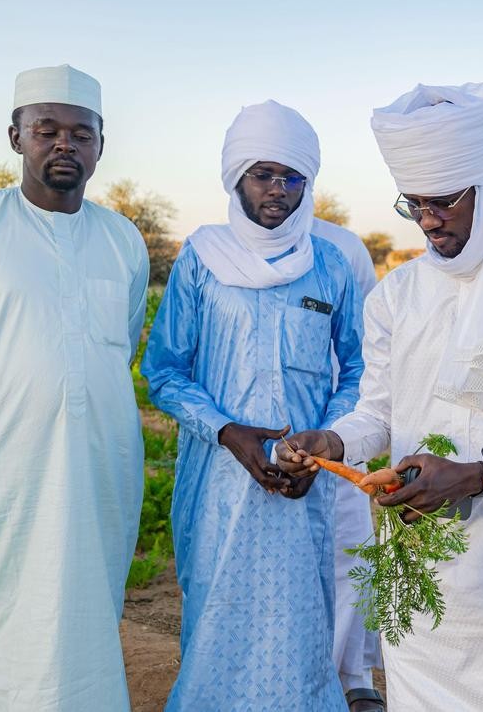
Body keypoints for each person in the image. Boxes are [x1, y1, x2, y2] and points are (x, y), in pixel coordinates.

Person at [275, 83, 483, 710]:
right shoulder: (397, 294)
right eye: (413, 204)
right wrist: (332, 440)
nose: (428, 220)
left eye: (442, 202)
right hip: (425, 578)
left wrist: (479, 476)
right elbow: (378, 413)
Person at [0, 64, 149, 710]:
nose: (64, 144)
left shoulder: (123, 239)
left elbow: (120, 341)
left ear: (101, 145)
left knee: (87, 610)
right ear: (15, 136)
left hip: (98, 470)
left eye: (81, 133)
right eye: (46, 130)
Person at [140, 100, 363, 710]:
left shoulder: (330, 266)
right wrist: (226, 430)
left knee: (301, 626)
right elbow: (164, 371)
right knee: (217, 616)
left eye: (292, 177)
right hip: (217, 478)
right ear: (236, 177)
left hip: (303, 480)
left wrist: (323, 443)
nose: (278, 190)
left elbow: (358, 371)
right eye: (263, 174)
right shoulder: (202, 259)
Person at [310, 222, 385, 711]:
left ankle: (354, 674)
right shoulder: (225, 248)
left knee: (350, 549)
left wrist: (343, 425)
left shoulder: (343, 246)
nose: (279, 189)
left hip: (343, 420)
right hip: (263, 431)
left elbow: (368, 344)